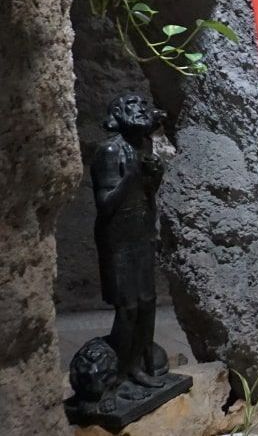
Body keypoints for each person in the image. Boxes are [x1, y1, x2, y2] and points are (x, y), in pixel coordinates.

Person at [92, 93, 169, 394]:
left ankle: (140, 363)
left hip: (141, 232)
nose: (142, 111)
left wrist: (154, 176)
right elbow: (105, 203)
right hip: (118, 239)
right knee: (128, 307)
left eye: (143, 106)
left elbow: (146, 193)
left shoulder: (143, 145)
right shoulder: (110, 151)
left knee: (148, 302)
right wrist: (134, 174)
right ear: (119, 114)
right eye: (134, 107)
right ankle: (119, 374)